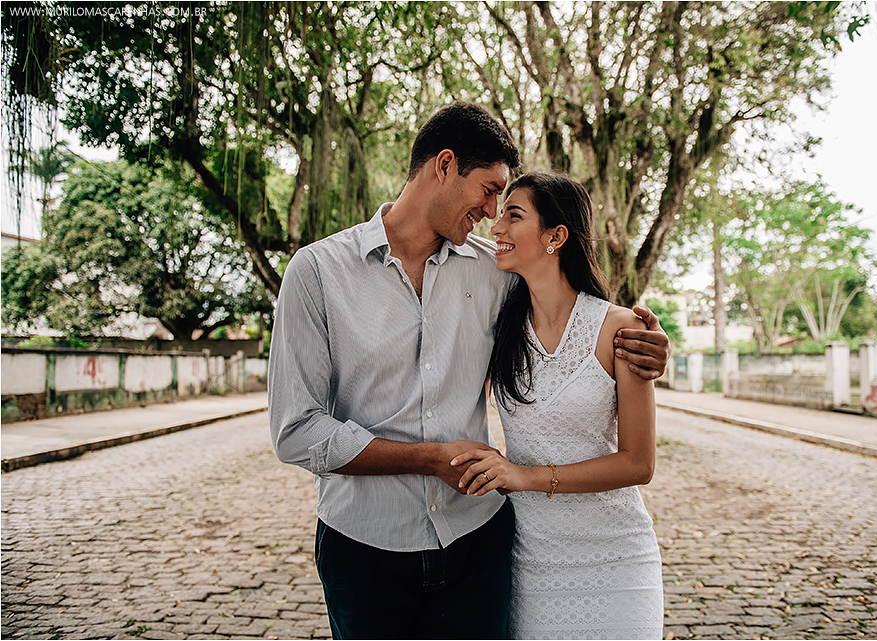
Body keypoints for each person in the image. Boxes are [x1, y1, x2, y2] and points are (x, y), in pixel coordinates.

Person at [268, 102, 669, 639]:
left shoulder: (496, 272)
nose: (491, 211)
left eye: (506, 204)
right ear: (445, 165)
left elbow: (570, 312)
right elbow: (296, 431)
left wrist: (645, 343)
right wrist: (429, 460)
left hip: (476, 542)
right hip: (363, 547)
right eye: (488, 189)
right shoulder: (317, 272)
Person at [450, 172, 664, 639]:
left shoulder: (621, 329)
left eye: (514, 215)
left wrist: (524, 476)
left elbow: (639, 463)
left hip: (618, 558)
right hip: (534, 562)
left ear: (555, 236)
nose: (497, 226)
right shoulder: (499, 329)